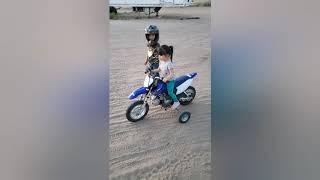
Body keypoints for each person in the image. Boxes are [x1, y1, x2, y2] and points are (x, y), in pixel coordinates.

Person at [152, 45, 180, 110]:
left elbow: (172, 74)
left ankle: (176, 102)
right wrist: (153, 71)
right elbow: (159, 69)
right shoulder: (162, 61)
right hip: (162, 79)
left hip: (170, 81)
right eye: (159, 55)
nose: (159, 56)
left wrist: (167, 78)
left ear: (167, 55)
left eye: (161, 55)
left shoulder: (169, 64)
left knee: (170, 92)